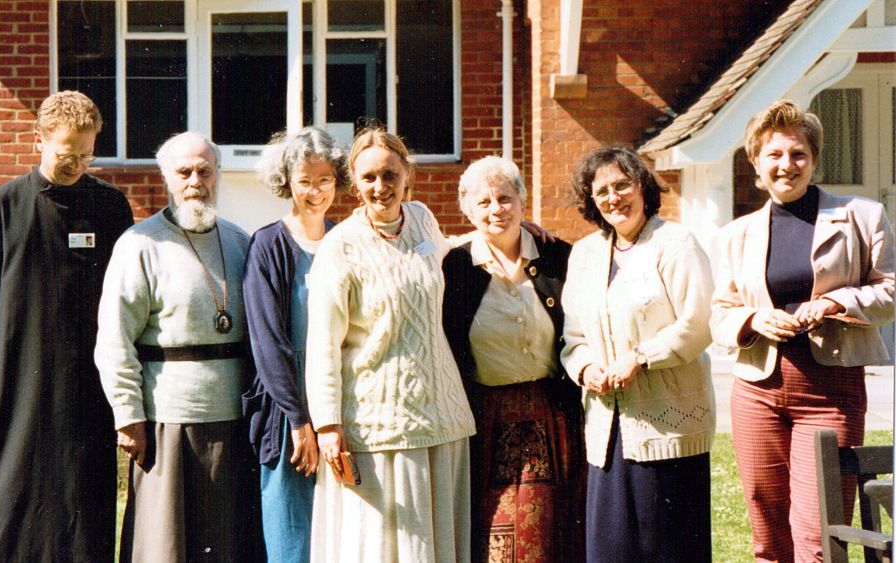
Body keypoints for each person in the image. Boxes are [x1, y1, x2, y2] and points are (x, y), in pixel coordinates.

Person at [0, 90, 133, 562]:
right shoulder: (2, 207)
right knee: (1, 512)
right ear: (36, 139)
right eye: (67, 154)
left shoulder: (111, 209)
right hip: (12, 385)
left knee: (80, 511)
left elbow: (129, 303)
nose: (78, 164)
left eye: (87, 154)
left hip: (86, 388)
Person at [711, 100, 895, 563]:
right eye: (773, 155)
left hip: (831, 391)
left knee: (820, 530)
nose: (786, 165)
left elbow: (891, 292)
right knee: (766, 527)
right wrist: (753, 320)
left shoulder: (862, 216)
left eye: (797, 154)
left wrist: (836, 301)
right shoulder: (737, 234)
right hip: (757, 389)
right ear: (755, 165)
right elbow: (719, 313)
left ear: (813, 159)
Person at [304, 127, 476, 563]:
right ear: (354, 183)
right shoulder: (339, 246)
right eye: (368, 178)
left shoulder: (421, 218)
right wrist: (326, 424)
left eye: (389, 175)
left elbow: (445, 253)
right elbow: (323, 342)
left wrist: (503, 231)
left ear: (406, 176)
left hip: (442, 412)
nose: (380, 187)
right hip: (378, 424)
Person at [94, 131, 261, 562]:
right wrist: (128, 416)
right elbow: (114, 339)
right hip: (167, 417)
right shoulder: (140, 244)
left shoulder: (240, 241)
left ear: (218, 175)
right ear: (167, 176)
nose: (195, 181)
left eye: (205, 171)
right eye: (184, 171)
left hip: (233, 418)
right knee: (165, 543)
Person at [561, 146, 716, 562]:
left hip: (667, 429)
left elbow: (700, 322)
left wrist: (642, 356)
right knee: (611, 550)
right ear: (591, 201)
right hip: (607, 432)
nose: (614, 197)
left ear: (643, 187)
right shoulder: (586, 254)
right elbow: (572, 337)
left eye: (622, 185)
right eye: (603, 191)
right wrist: (586, 368)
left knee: (668, 550)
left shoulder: (675, 242)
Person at [442, 156, 586, 562]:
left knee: (553, 526)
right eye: (483, 202)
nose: (495, 209)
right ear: (467, 210)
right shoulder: (454, 265)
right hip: (486, 417)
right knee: (492, 526)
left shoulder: (558, 257)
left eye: (505, 198)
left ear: (523, 201)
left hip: (552, 414)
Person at [242, 126, 348, 563]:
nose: (316, 191)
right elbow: (268, 342)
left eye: (324, 180)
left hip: (343, 402)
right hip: (290, 409)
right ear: (287, 182)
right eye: (305, 181)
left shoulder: (347, 238)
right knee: (293, 536)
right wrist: (298, 421)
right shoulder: (268, 244)